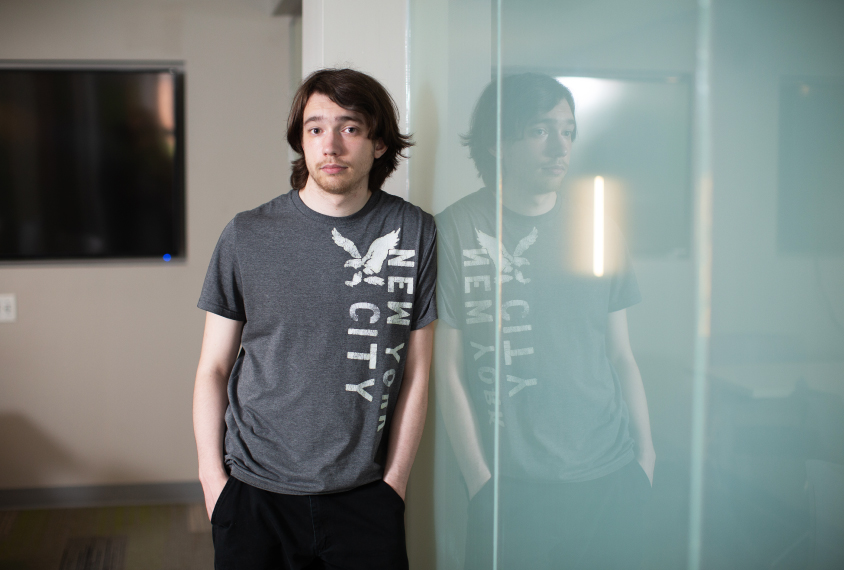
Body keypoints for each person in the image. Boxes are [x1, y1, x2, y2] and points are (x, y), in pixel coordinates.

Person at [193, 68, 437, 570]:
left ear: (378, 144)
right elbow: (212, 369)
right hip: (254, 493)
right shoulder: (247, 234)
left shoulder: (414, 231)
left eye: (350, 128)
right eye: (315, 128)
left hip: (366, 497)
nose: (331, 145)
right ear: (301, 141)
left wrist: (395, 484)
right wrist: (213, 483)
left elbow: (417, 372)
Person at [435, 73, 655, 569]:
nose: (560, 147)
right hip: (511, 490)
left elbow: (621, 354)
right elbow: (445, 369)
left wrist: (646, 460)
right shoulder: (456, 229)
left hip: (611, 475)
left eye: (568, 131)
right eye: (540, 130)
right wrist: (480, 482)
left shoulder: (597, 226)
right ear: (498, 143)